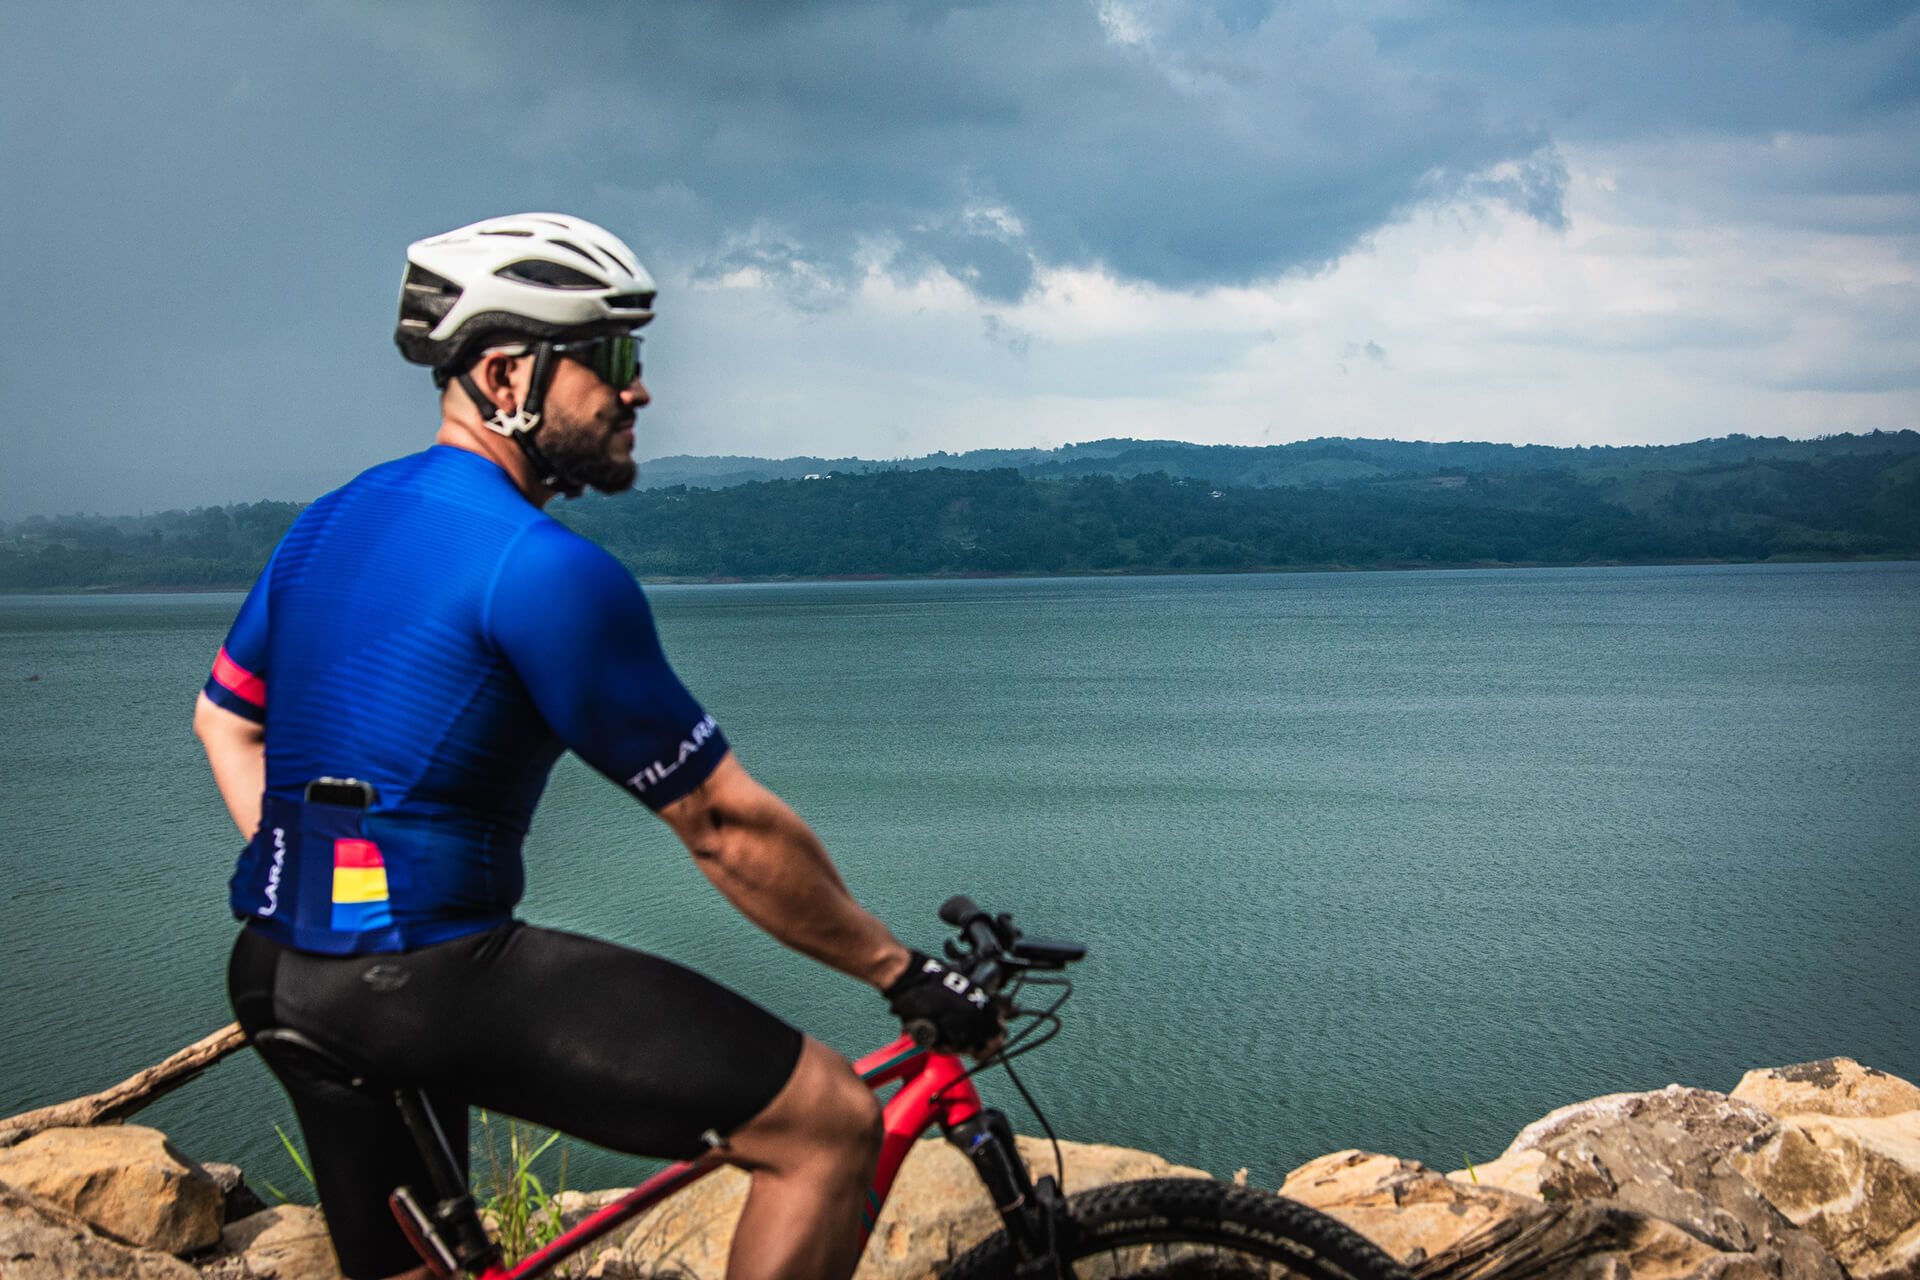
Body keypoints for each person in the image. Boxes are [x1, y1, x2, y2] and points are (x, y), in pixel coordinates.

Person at [193, 213, 1002, 1280]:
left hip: (279, 971)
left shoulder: (329, 523)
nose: (639, 391)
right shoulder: (540, 569)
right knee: (826, 1121)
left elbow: (225, 718)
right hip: (424, 976)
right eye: (611, 360)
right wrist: (902, 970)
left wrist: (318, 886)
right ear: (504, 375)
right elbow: (724, 826)